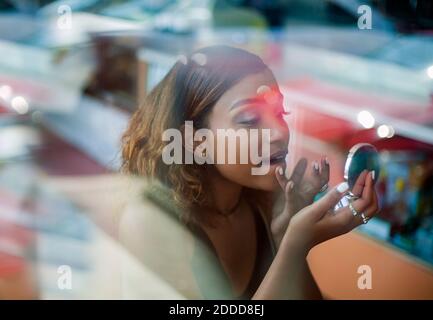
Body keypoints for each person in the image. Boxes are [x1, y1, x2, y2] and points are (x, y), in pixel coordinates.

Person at [120, 45, 379, 299]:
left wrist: (285, 237)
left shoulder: (265, 200)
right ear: (197, 142)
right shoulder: (149, 221)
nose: (279, 131)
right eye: (249, 120)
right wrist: (293, 247)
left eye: (280, 112)